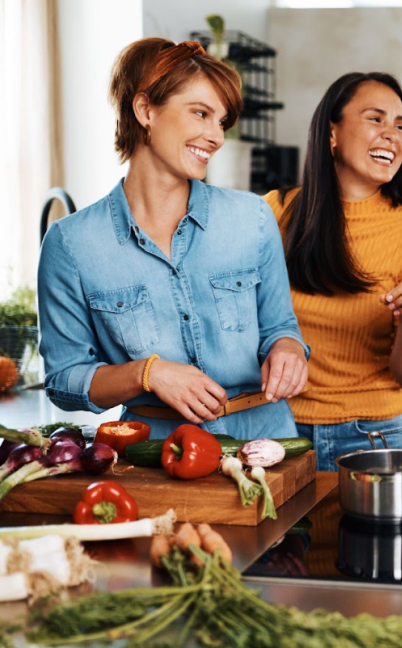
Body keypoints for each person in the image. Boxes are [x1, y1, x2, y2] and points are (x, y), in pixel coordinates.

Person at [38, 38, 309, 440]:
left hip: (267, 444)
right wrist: (147, 373)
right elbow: (63, 379)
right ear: (145, 110)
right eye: (201, 113)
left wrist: (287, 349)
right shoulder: (71, 244)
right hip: (156, 458)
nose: (215, 136)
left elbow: (280, 327)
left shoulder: (252, 217)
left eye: (221, 121)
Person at [264, 73, 402, 472]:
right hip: (278, 434)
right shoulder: (275, 213)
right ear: (332, 132)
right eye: (376, 119)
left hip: (372, 437)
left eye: (401, 126)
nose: (392, 135)